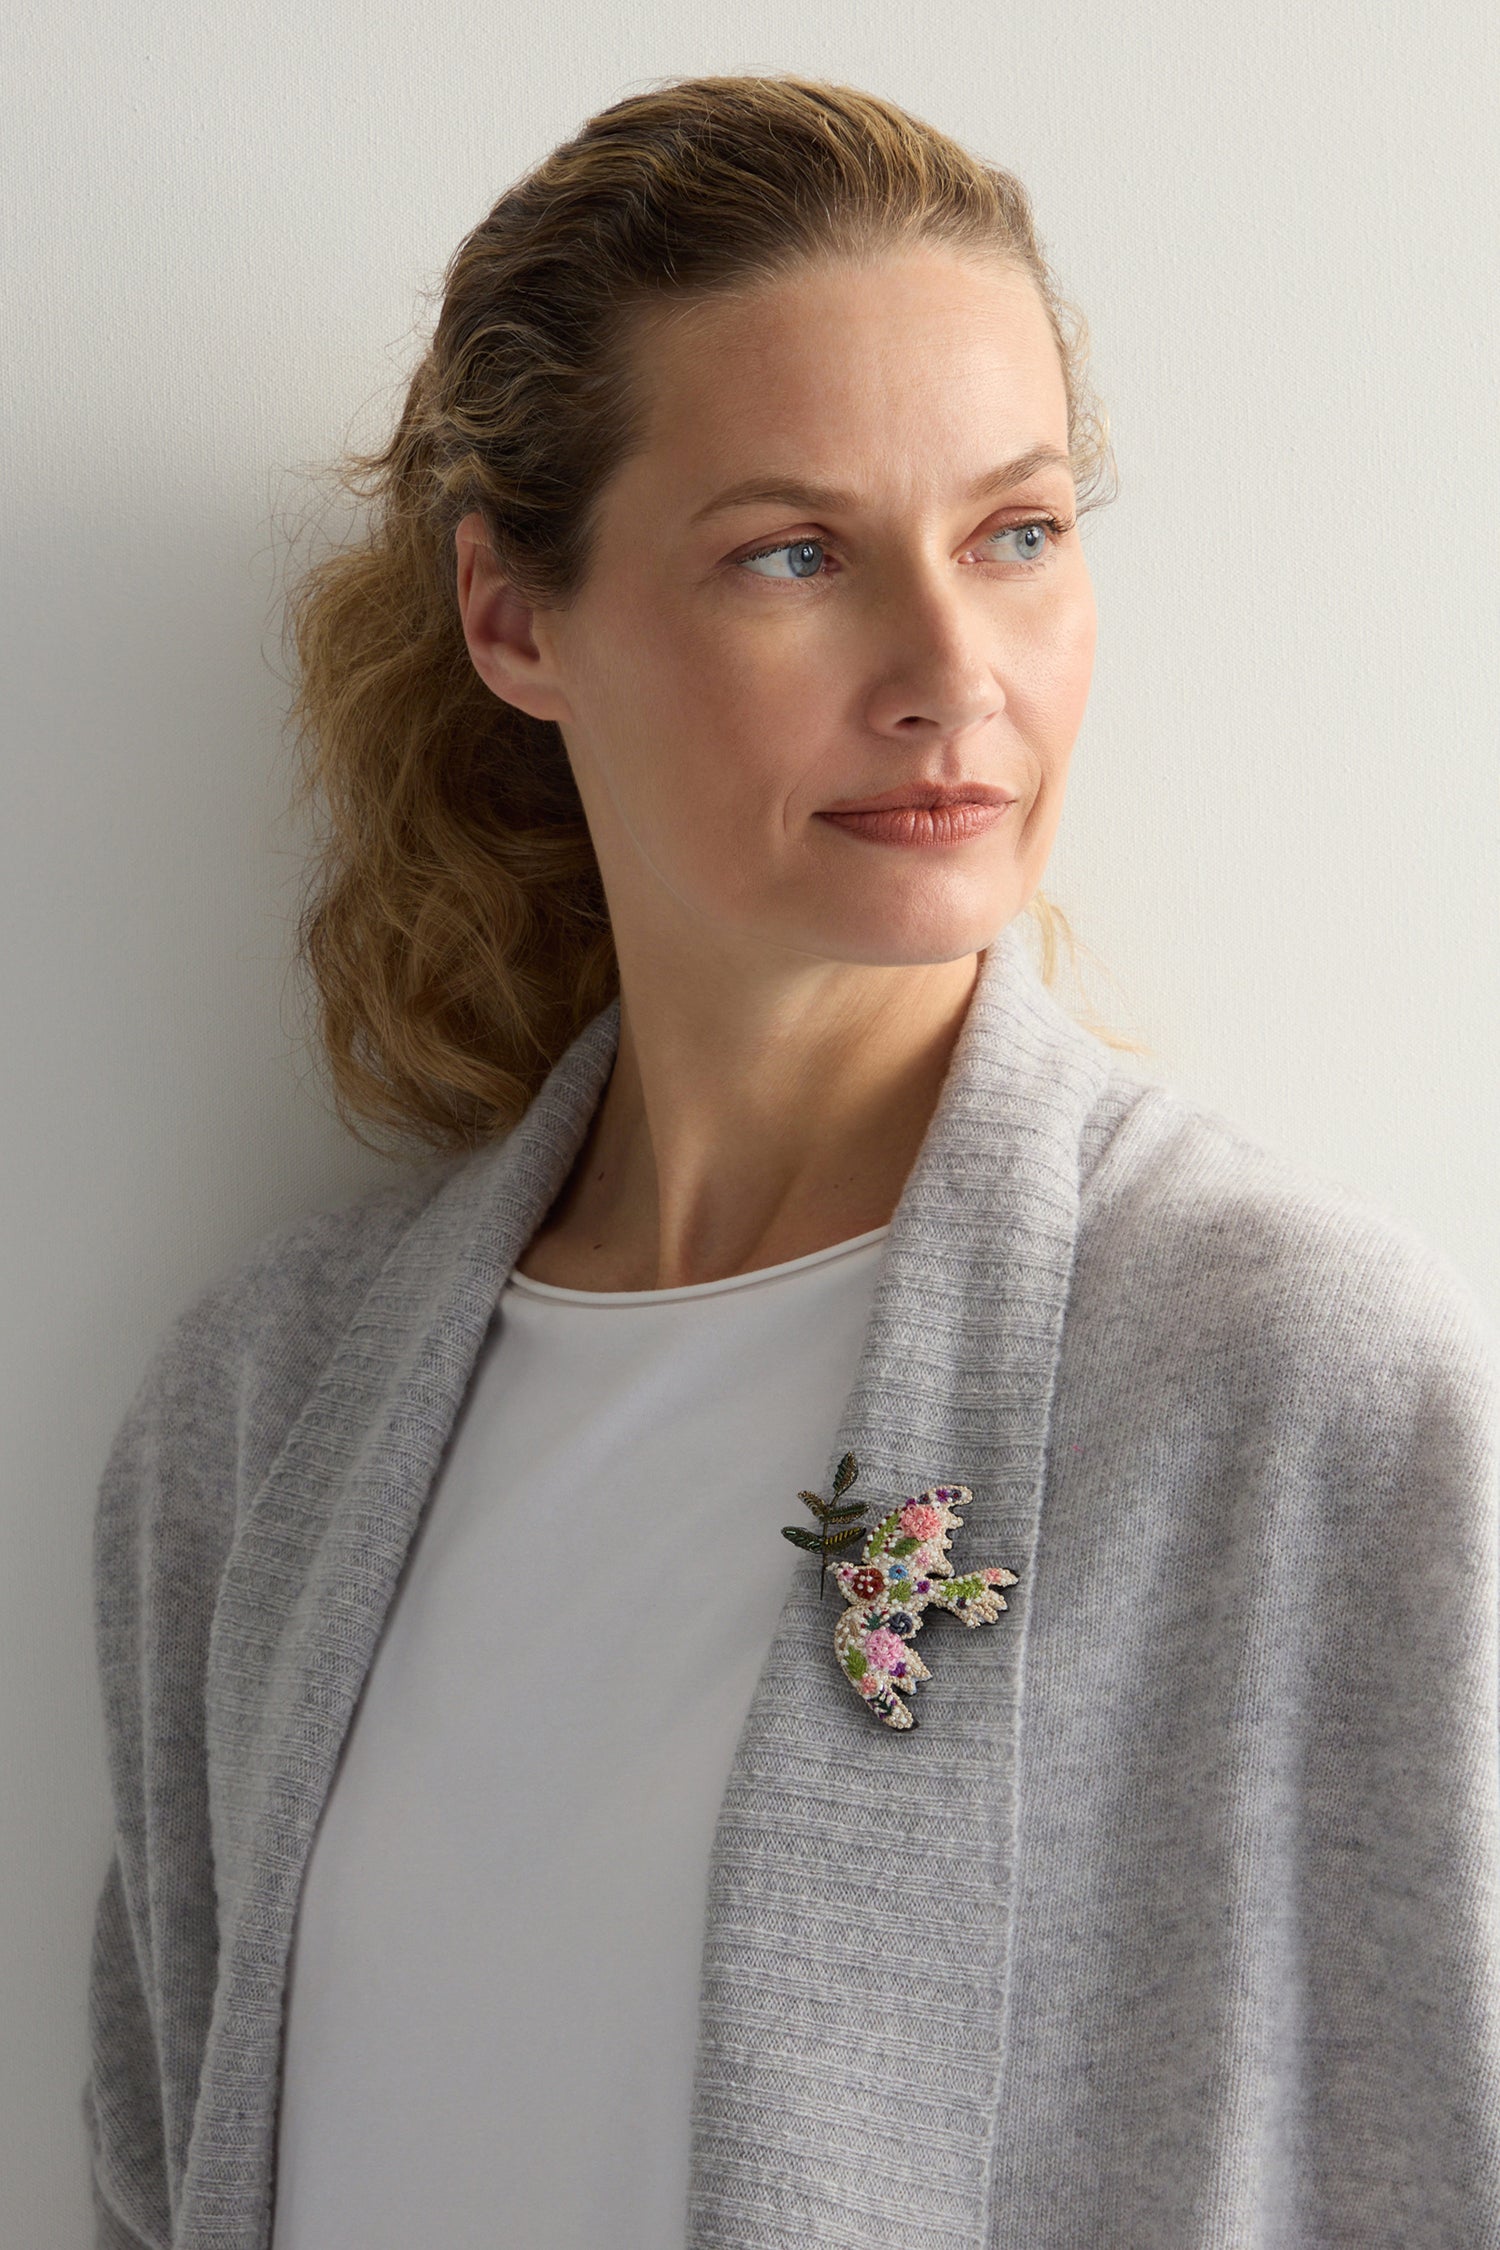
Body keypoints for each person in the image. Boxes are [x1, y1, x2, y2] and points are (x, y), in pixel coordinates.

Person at [82, 73, 1500, 2250]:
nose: (955, 675)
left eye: (1019, 534)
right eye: (795, 554)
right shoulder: (258, 1424)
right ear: (514, 620)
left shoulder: (1288, 1385)